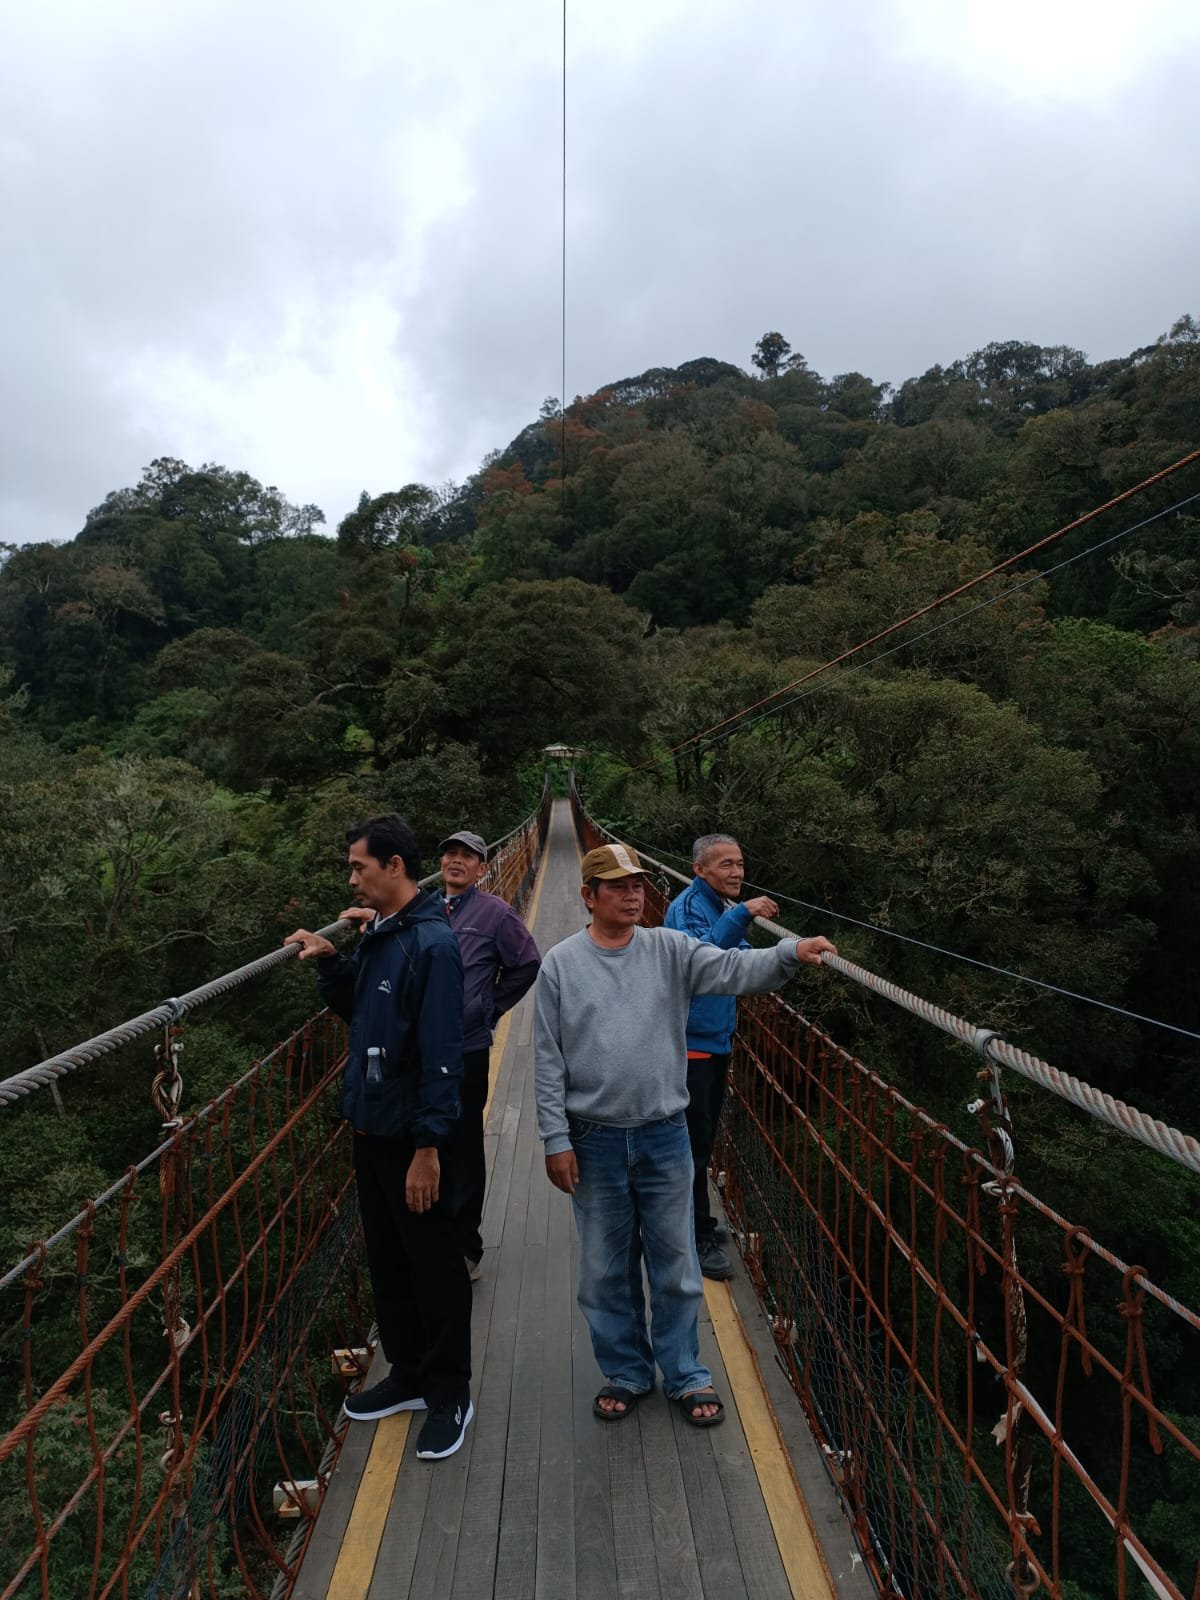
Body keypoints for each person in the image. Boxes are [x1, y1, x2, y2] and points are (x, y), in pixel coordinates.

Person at [533, 842, 835, 1427]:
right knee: (604, 1268)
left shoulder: (669, 948)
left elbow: (732, 969)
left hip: (663, 1133)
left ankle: (685, 1372)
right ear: (588, 895)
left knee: (675, 1263)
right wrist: (555, 1138)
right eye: (617, 886)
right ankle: (627, 1370)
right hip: (594, 1138)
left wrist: (791, 952)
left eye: (637, 885)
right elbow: (547, 1058)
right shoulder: (561, 965)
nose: (632, 896)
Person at [284, 813, 474, 1462]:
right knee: (389, 1259)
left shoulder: (432, 945)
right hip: (372, 1128)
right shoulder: (384, 934)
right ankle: (409, 1373)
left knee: (435, 1264)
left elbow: (443, 1054)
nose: (351, 879)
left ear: (394, 866)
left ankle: (449, 1393)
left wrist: (428, 1149)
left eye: (358, 867)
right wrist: (332, 961)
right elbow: (364, 1012)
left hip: (414, 1138)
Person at [663, 834, 779, 1281]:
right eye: (726, 864)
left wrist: (786, 956)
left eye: (740, 863)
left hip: (714, 1041)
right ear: (699, 870)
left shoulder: (714, 904)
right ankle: (693, 1238)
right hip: (692, 1045)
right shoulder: (690, 908)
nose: (736, 872)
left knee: (703, 1141)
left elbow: (738, 959)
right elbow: (705, 962)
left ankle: (699, 1222)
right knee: (691, 1147)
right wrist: (742, 913)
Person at [437, 829, 541, 1278]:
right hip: (424, 1050)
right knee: (428, 1141)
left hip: (468, 1047)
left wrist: (489, 1008)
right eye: (450, 854)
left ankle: (466, 1247)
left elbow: (527, 963)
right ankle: (435, 1239)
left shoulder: (495, 913)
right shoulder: (423, 910)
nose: (457, 861)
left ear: (482, 868)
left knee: (462, 1145)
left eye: (468, 856)